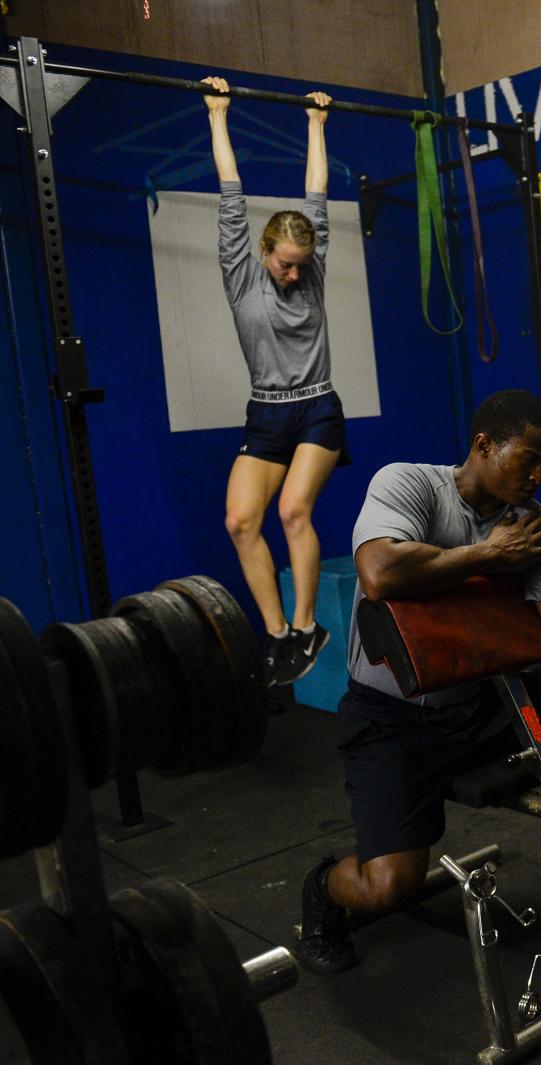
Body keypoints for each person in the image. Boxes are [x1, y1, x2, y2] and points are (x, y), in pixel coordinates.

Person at [292, 389, 541, 975]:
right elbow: (380, 572)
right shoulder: (408, 485)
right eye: (527, 459)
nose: (537, 476)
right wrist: (486, 555)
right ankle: (322, 890)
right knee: (389, 888)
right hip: (392, 719)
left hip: (491, 702)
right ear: (484, 445)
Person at [204, 76, 346, 687]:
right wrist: (218, 115)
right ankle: (279, 634)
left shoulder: (309, 271)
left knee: (293, 511)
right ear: (263, 251)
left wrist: (316, 125)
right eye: (286, 263)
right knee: (240, 522)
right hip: (266, 412)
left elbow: (316, 194)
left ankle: (309, 624)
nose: (294, 275)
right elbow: (230, 192)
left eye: (302, 265)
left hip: (317, 408)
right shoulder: (241, 270)